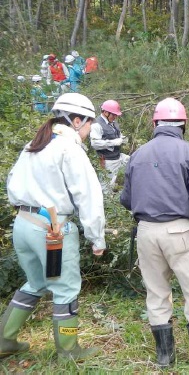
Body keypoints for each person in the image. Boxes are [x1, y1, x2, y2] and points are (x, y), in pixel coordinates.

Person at [120, 98, 189, 369]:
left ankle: (165, 357)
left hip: (145, 232)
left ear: (155, 123)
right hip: (180, 231)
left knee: (156, 293)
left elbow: (126, 199)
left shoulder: (137, 155)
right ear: (184, 124)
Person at [2, 93, 106, 361]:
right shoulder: (69, 149)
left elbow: (12, 183)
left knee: (35, 282)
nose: (87, 132)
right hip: (52, 231)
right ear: (76, 120)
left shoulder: (35, 144)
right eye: (87, 125)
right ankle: (69, 351)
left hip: (23, 224)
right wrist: (97, 238)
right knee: (66, 289)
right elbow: (89, 196)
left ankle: (4, 340)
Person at [90, 100, 130, 194]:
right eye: (113, 115)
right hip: (107, 160)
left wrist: (122, 138)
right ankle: (107, 205)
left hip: (118, 156)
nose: (115, 117)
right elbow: (94, 143)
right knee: (106, 188)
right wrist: (114, 142)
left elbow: (117, 134)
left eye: (116, 115)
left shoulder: (113, 122)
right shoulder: (96, 125)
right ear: (105, 112)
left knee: (134, 161)